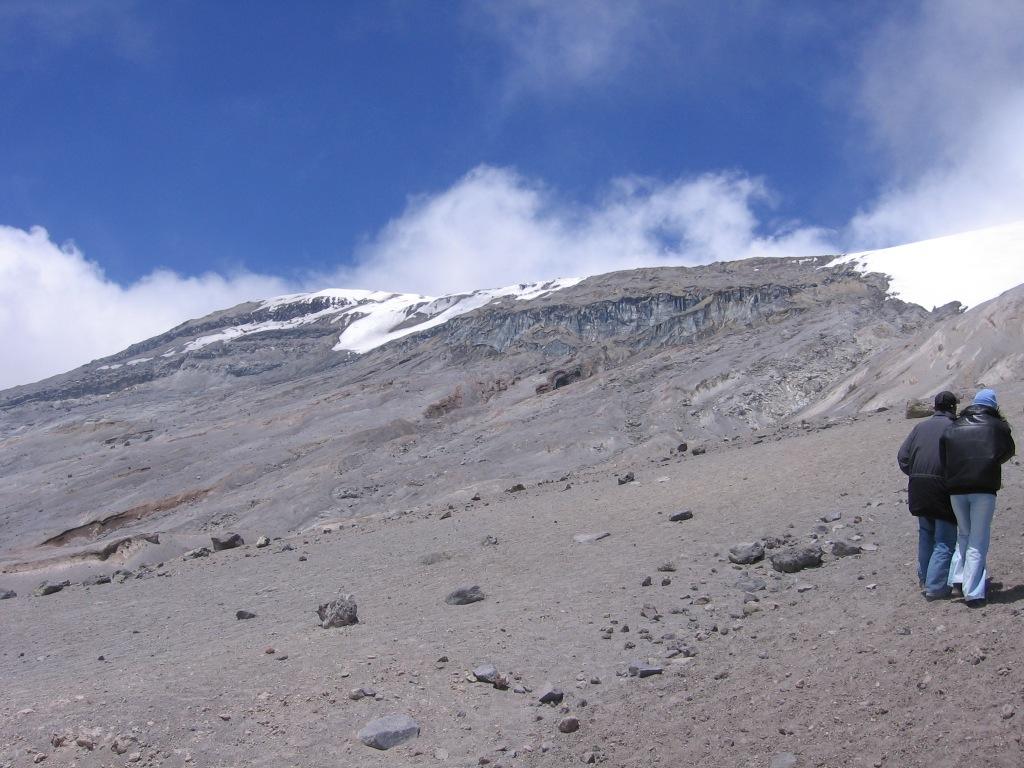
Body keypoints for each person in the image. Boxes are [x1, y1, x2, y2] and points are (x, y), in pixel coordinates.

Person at [940, 388, 1016, 607]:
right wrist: (989, 462)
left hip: (956, 488)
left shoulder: (954, 426)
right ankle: (973, 593)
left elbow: (944, 456)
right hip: (983, 487)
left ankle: (957, 580)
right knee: (978, 538)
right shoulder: (998, 426)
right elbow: (1008, 451)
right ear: (993, 405)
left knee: (963, 534)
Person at [898, 391, 959, 599]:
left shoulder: (919, 427)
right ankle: (936, 587)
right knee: (944, 538)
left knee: (926, 534)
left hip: (918, 486)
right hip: (942, 487)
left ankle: (925, 579)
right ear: (953, 408)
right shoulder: (955, 427)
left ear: (935, 407)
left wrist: (915, 473)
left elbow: (903, 457)